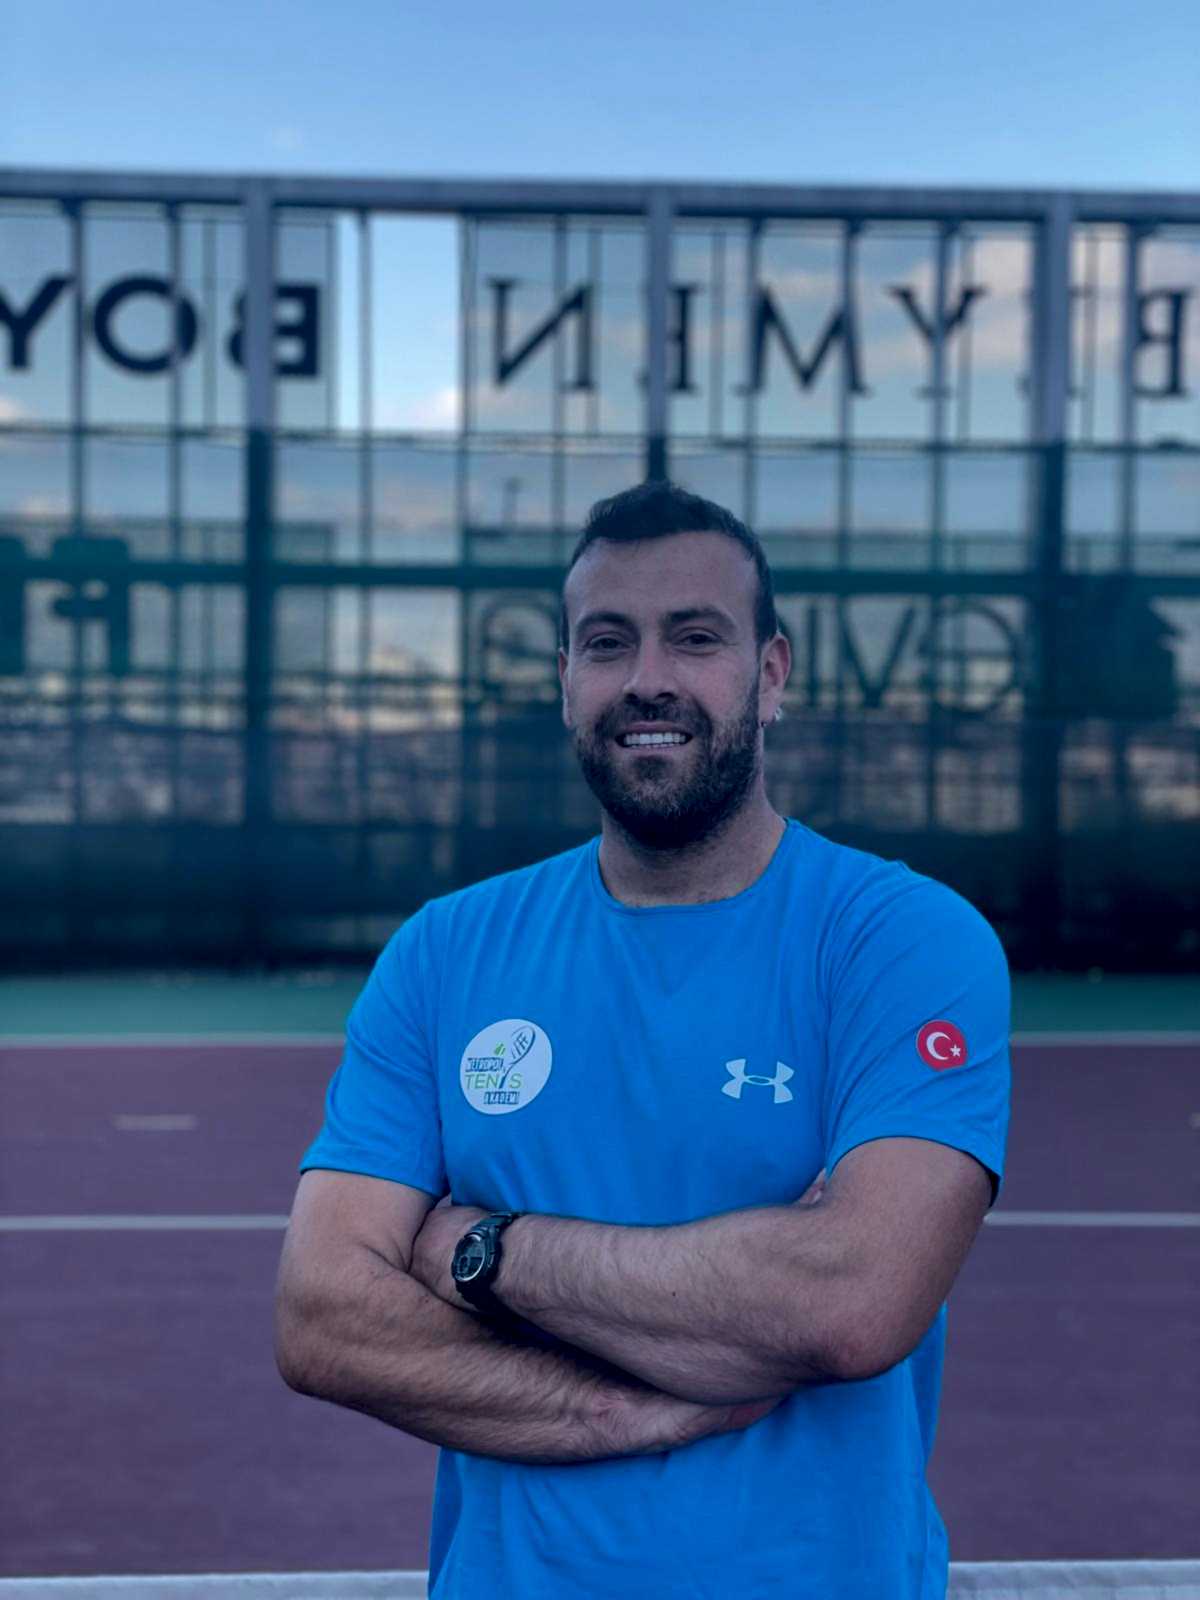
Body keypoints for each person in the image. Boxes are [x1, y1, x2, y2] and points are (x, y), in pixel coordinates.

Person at [275, 479, 1011, 1600]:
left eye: (696, 638)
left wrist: (481, 1253)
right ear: (567, 681)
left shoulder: (899, 938)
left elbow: (853, 1302)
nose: (647, 678)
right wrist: (622, 1408)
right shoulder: (444, 952)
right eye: (607, 642)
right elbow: (322, 1319)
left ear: (771, 673)